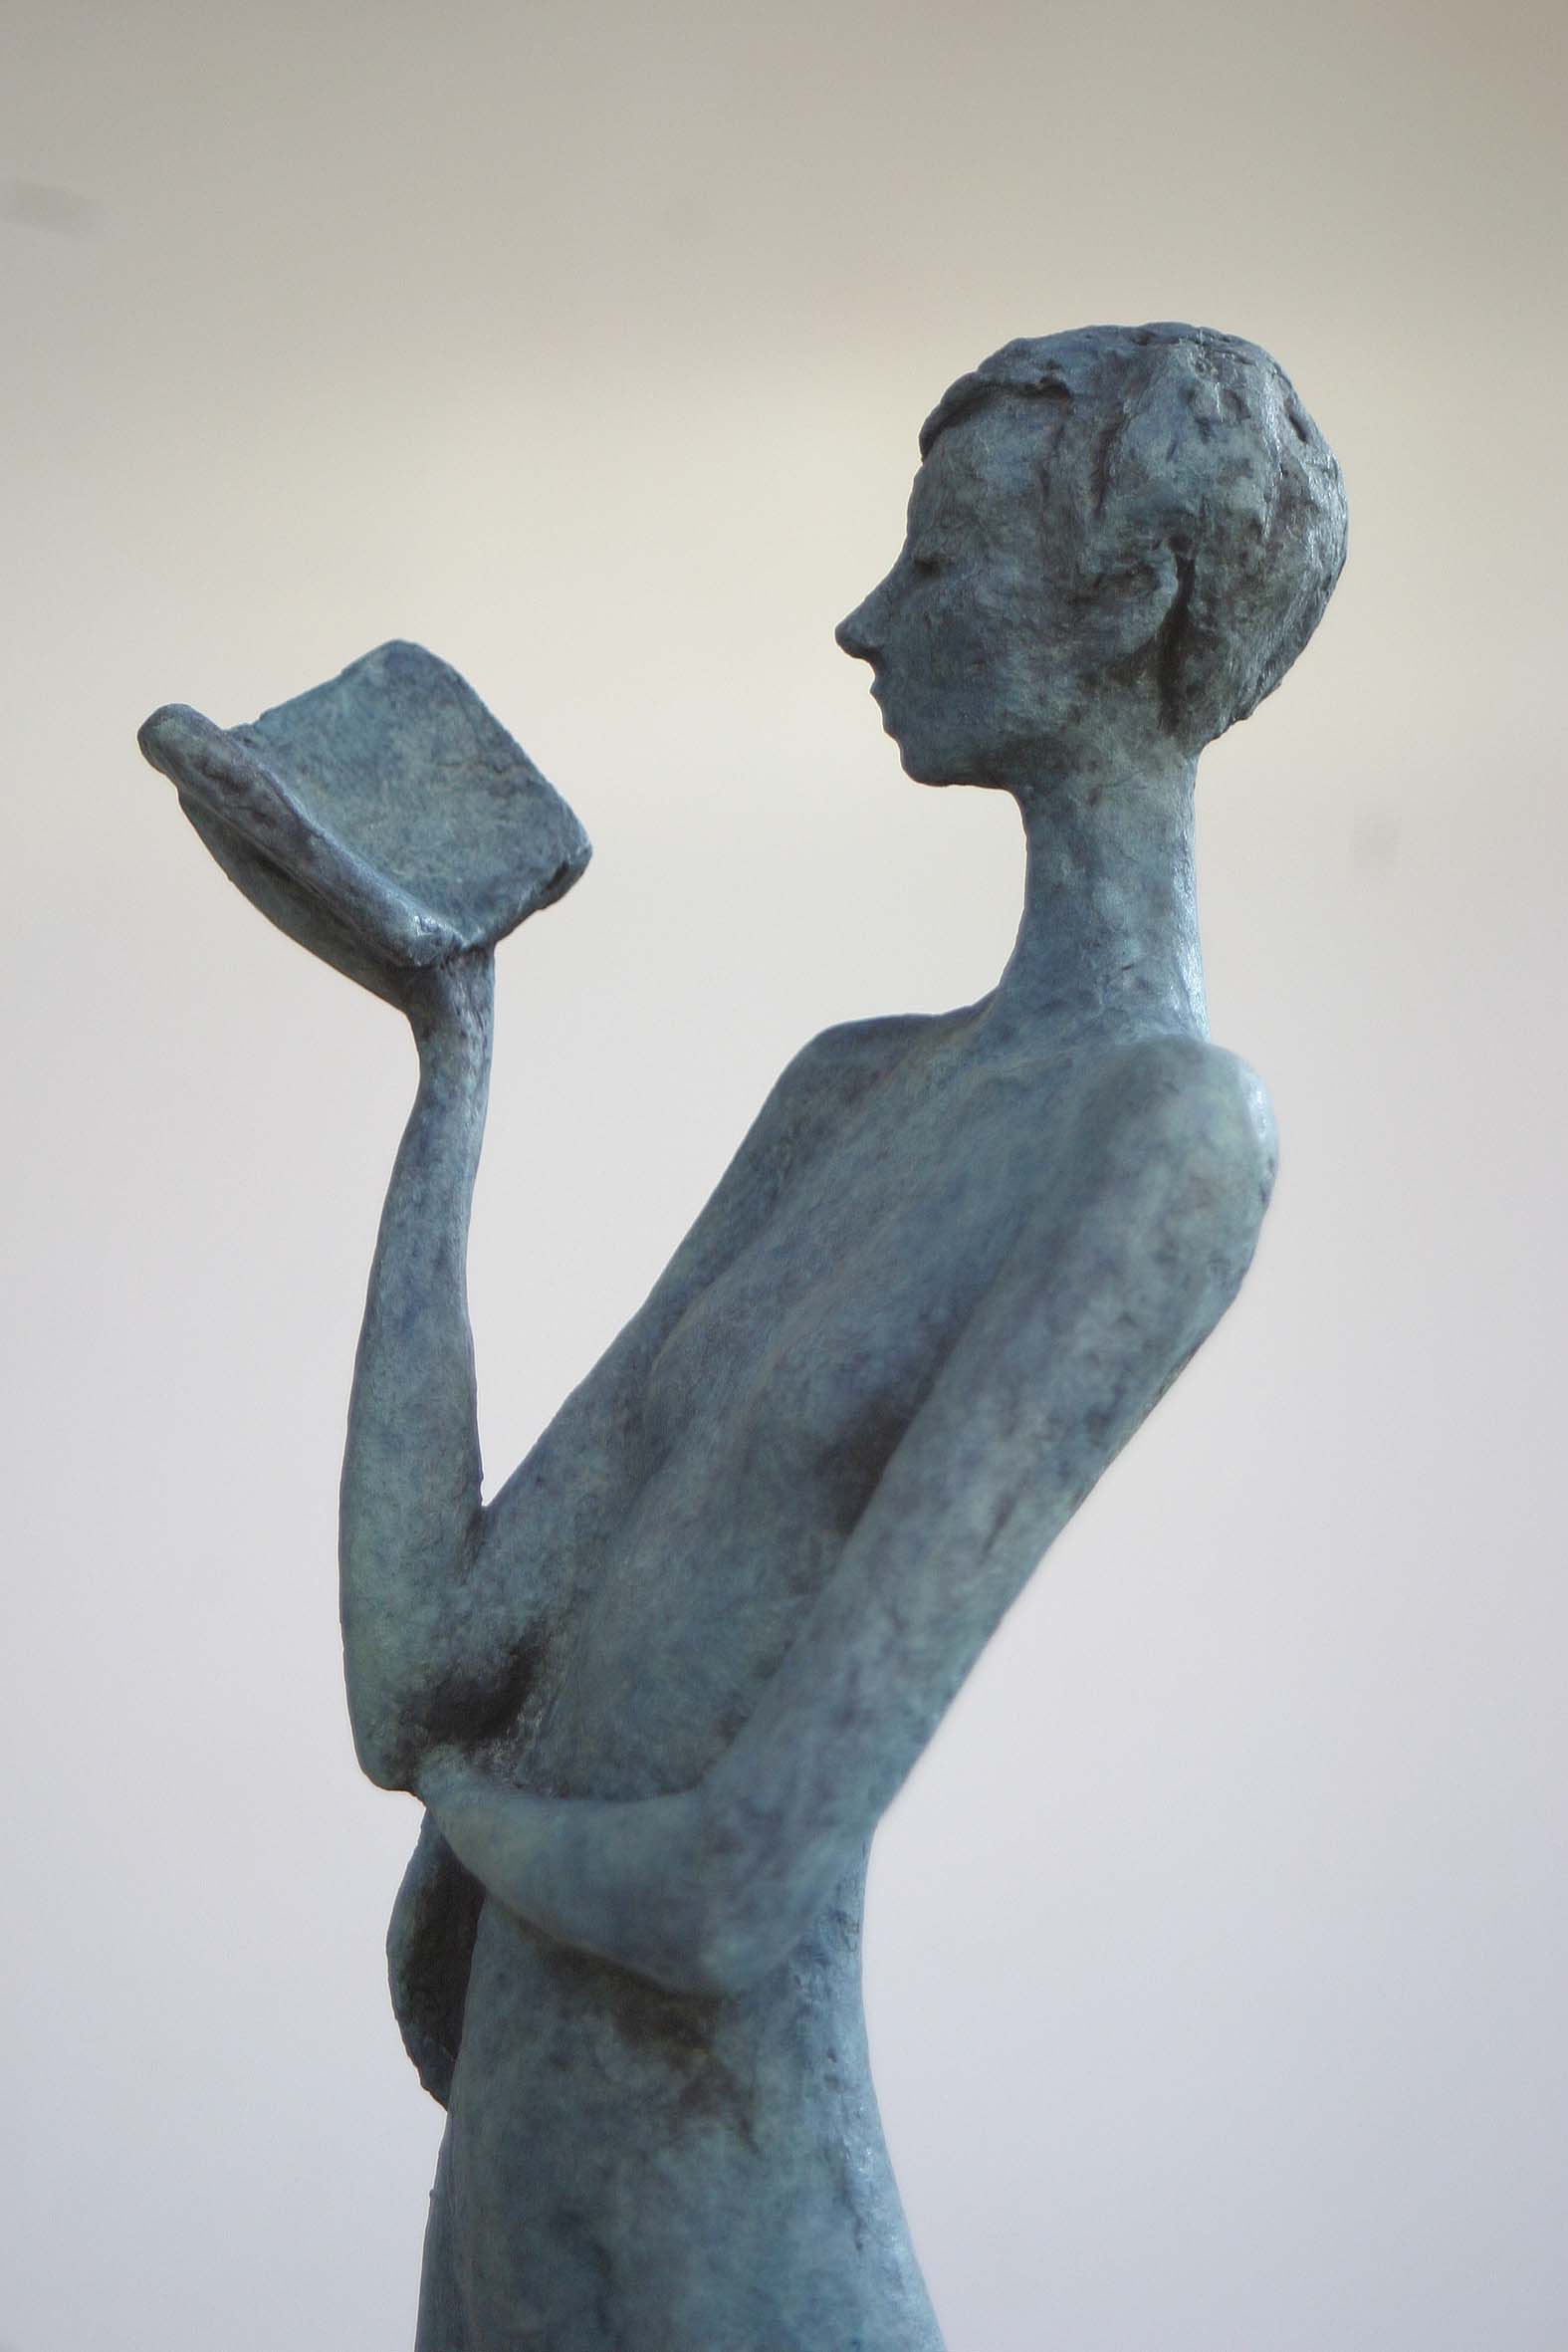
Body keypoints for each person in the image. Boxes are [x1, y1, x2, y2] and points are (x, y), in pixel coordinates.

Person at [335, 323, 1346, 2348]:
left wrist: (472, 1813)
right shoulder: (841, 1094)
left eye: (938, 565)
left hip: (732, 2236)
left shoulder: (1161, 1134)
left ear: (1129, 599)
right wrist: (450, 1049)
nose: (868, 622)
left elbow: (734, 1881)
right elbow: (416, 1662)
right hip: (513, 2192)